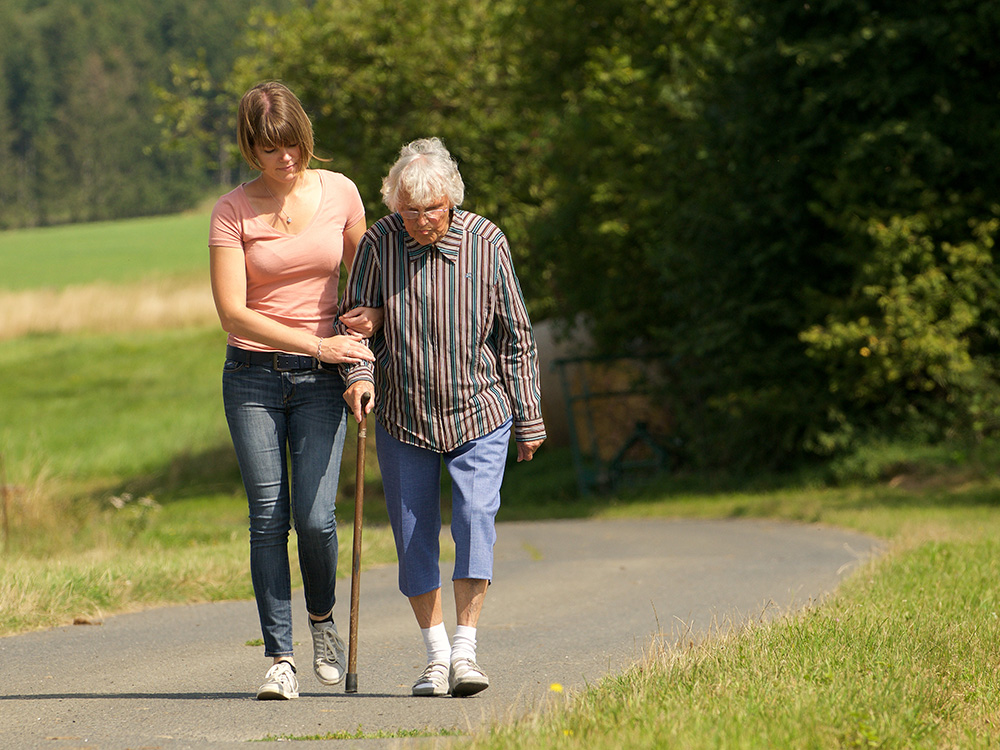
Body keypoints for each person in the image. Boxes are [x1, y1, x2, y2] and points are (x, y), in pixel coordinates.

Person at [339, 137, 546, 698]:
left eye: (431, 210)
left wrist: (528, 416)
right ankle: (433, 657)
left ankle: (465, 653)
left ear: (452, 201)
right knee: (412, 536)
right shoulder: (381, 243)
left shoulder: (487, 243)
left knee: (476, 520)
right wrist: (358, 378)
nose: (421, 222)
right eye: (409, 211)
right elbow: (351, 325)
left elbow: (516, 337)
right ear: (394, 207)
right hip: (404, 414)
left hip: (479, 409)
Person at [208, 81, 380, 700]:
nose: (287, 158)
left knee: (313, 518)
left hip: (320, 383)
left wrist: (368, 322)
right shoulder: (231, 211)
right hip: (252, 376)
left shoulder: (342, 192)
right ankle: (279, 657)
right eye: (271, 148)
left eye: (294, 144)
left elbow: (369, 282)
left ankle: (321, 620)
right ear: (251, 149)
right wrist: (317, 343)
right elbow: (233, 312)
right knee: (267, 518)